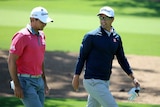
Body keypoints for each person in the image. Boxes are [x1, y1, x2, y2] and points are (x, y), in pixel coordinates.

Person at [72, 6, 140, 107]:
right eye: (101, 17)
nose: (103, 20)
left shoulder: (116, 38)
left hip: (105, 81)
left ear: (112, 19)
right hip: (92, 81)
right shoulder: (91, 36)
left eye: (106, 18)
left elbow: (122, 59)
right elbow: (82, 57)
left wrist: (133, 77)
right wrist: (76, 76)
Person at [8, 6, 53, 107]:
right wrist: (17, 85)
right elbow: (11, 61)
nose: (45, 24)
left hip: (39, 81)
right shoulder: (22, 36)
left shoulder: (42, 35)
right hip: (25, 82)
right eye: (42, 21)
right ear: (32, 19)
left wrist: (44, 82)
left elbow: (40, 59)